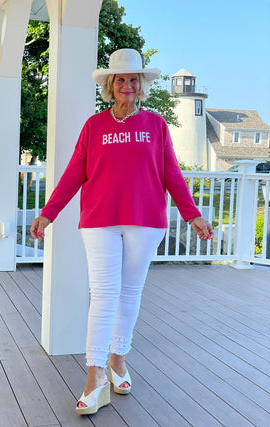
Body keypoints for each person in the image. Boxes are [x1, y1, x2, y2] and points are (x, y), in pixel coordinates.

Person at [30, 48, 214, 415]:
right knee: (103, 294)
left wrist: (192, 214)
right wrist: (49, 213)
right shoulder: (94, 126)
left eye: (133, 79)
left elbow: (171, 175)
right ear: (110, 87)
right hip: (99, 220)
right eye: (120, 80)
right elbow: (74, 174)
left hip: (146, 221)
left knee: (129, 294)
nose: (127, 85)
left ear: (141, 86)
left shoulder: (156, 125)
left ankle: (117, 360)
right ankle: (94, 376)